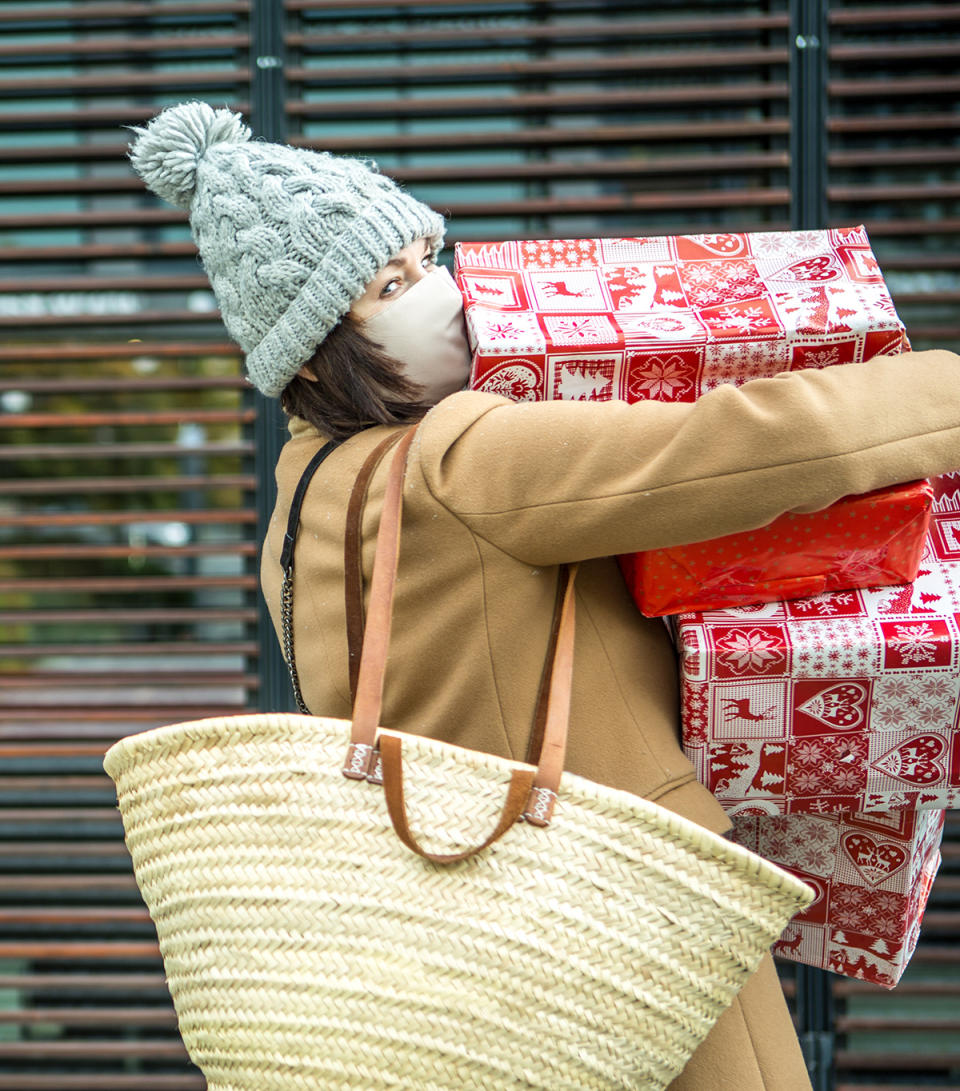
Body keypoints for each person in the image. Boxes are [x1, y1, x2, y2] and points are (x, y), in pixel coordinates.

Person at [130, 101, 960, 1091]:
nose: (441, 294)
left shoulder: (307, 493)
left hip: (491, 926)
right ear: (313, 351)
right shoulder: (458, 454)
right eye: (390, 285)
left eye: (428, 257)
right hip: (625, 889)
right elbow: (742, 446)